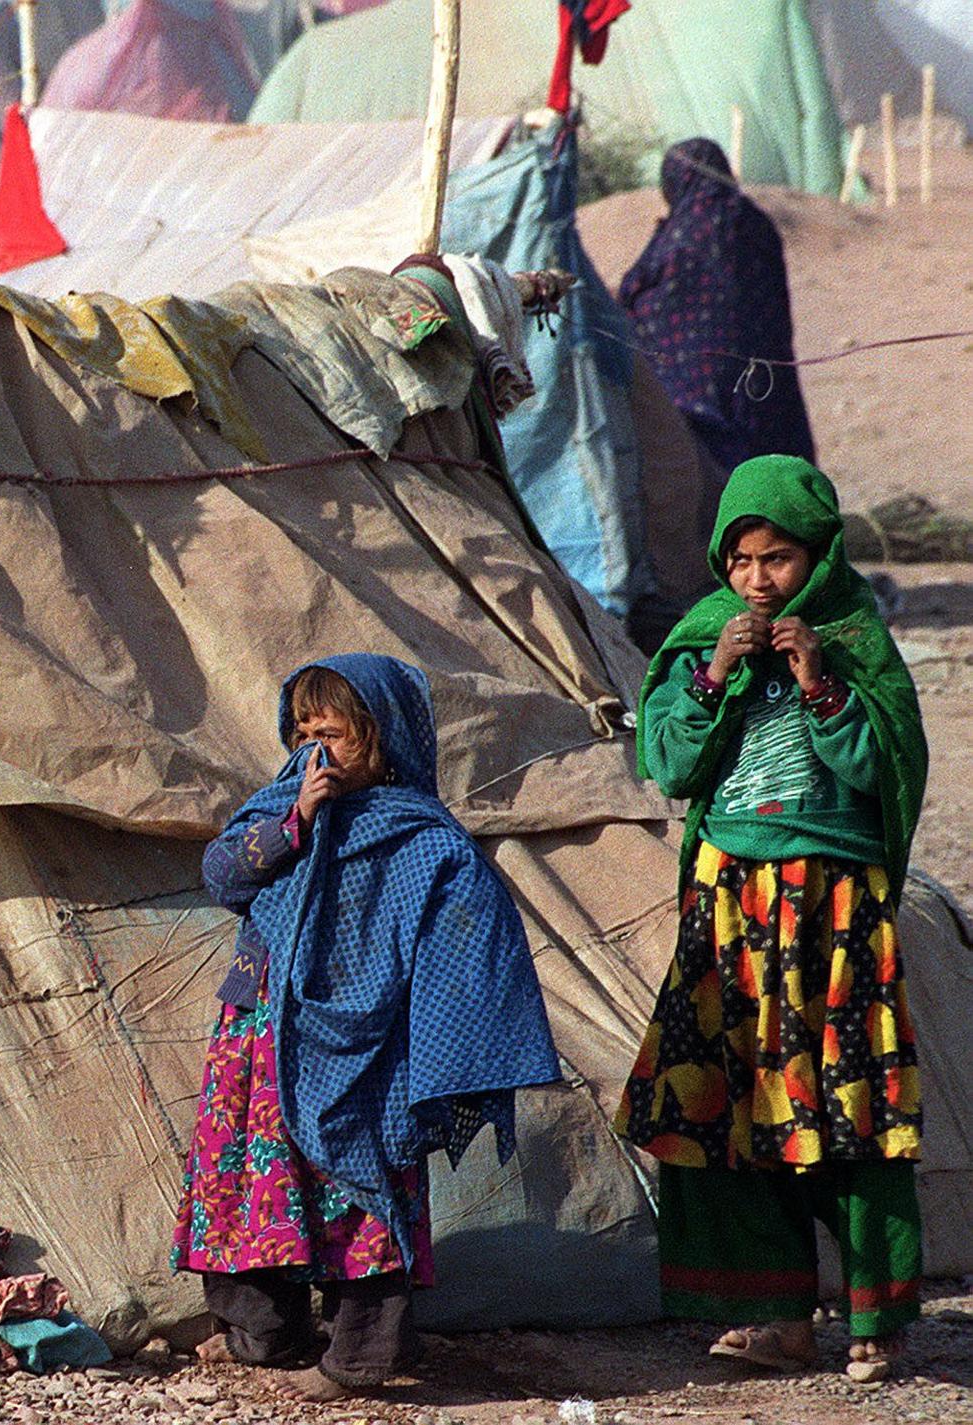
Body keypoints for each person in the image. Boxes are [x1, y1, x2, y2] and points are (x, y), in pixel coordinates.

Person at [173, 655, 560, 1402]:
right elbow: (223, 875)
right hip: (260, 1034)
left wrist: (440, 1050)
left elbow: (467, 944)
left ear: (382, 738)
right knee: (255, 1182)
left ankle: (358, 1357)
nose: (317, 750)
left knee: (358, 1183)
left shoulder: (422, 837)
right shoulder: (279, 806)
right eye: (304, 732)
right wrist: (297, 821)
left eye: (336, 734)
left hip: (366, 1048)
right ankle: (264, 1332)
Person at [617, 455, 928, 1383]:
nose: (758, 580)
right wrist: (713, 675)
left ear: (819, 555)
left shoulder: (856, 643)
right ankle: (776, 1314)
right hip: (730, 912)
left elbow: (888, 770)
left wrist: (821, 682)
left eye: (779, 559)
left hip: (833, 911)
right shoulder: (700, 640)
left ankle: (876, 1315)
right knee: (731, 1103)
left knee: (848, 1106)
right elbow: (670, 764)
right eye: (742, 560)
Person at [619, 138, 817, 475]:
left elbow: (639, 292)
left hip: (700, 386)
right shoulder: (755, 221)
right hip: (765, 375)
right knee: (773, 455)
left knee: (711, 464)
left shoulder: (680, 233)